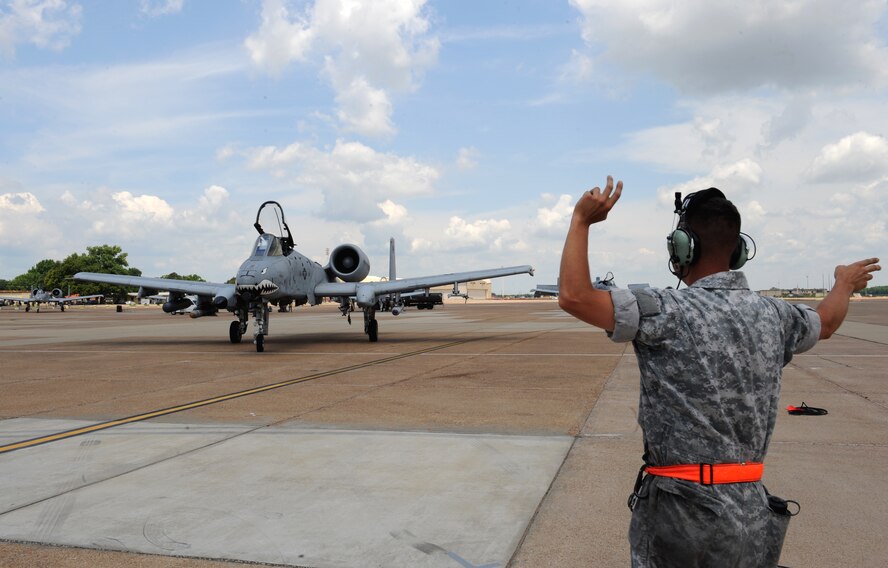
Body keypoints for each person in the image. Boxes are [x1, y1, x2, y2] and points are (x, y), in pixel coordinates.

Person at [558, 176, 881, 567]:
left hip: (682, 513)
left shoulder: (666, 311)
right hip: (751, 510)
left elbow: (575, 297)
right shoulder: (776, 316)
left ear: (682, 249)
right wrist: (844, 283)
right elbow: (825, 323)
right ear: (739, 251)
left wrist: (581, 221)